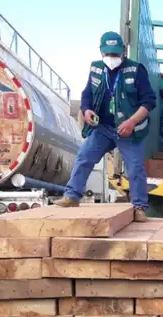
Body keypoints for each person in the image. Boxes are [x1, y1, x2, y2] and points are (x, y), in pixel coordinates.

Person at [54, 31, 156, 222]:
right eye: (108, 54)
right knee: (85, 156)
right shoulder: (96, 69)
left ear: (123, 52)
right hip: (103, 128)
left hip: (129, 130)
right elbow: (87, 95)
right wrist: (86, 110)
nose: (112, 58)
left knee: (135, 168)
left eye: (116, 54)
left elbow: (149, 101)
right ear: (101, 52)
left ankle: (139, 207)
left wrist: (132, 122)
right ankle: (72, 196)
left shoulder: (136, 70)